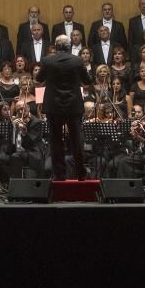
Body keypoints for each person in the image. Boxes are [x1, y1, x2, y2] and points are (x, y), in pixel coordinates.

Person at [36, 34, 93, 180]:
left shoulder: (47, 60)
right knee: (76, 141)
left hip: (54, 106)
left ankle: (60, 175)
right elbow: (87, 81)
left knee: (55, 141)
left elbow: (39, 78)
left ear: (56, 46)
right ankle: (81, 174)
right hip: (73, 106)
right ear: (69, 47)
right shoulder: (78, 60)